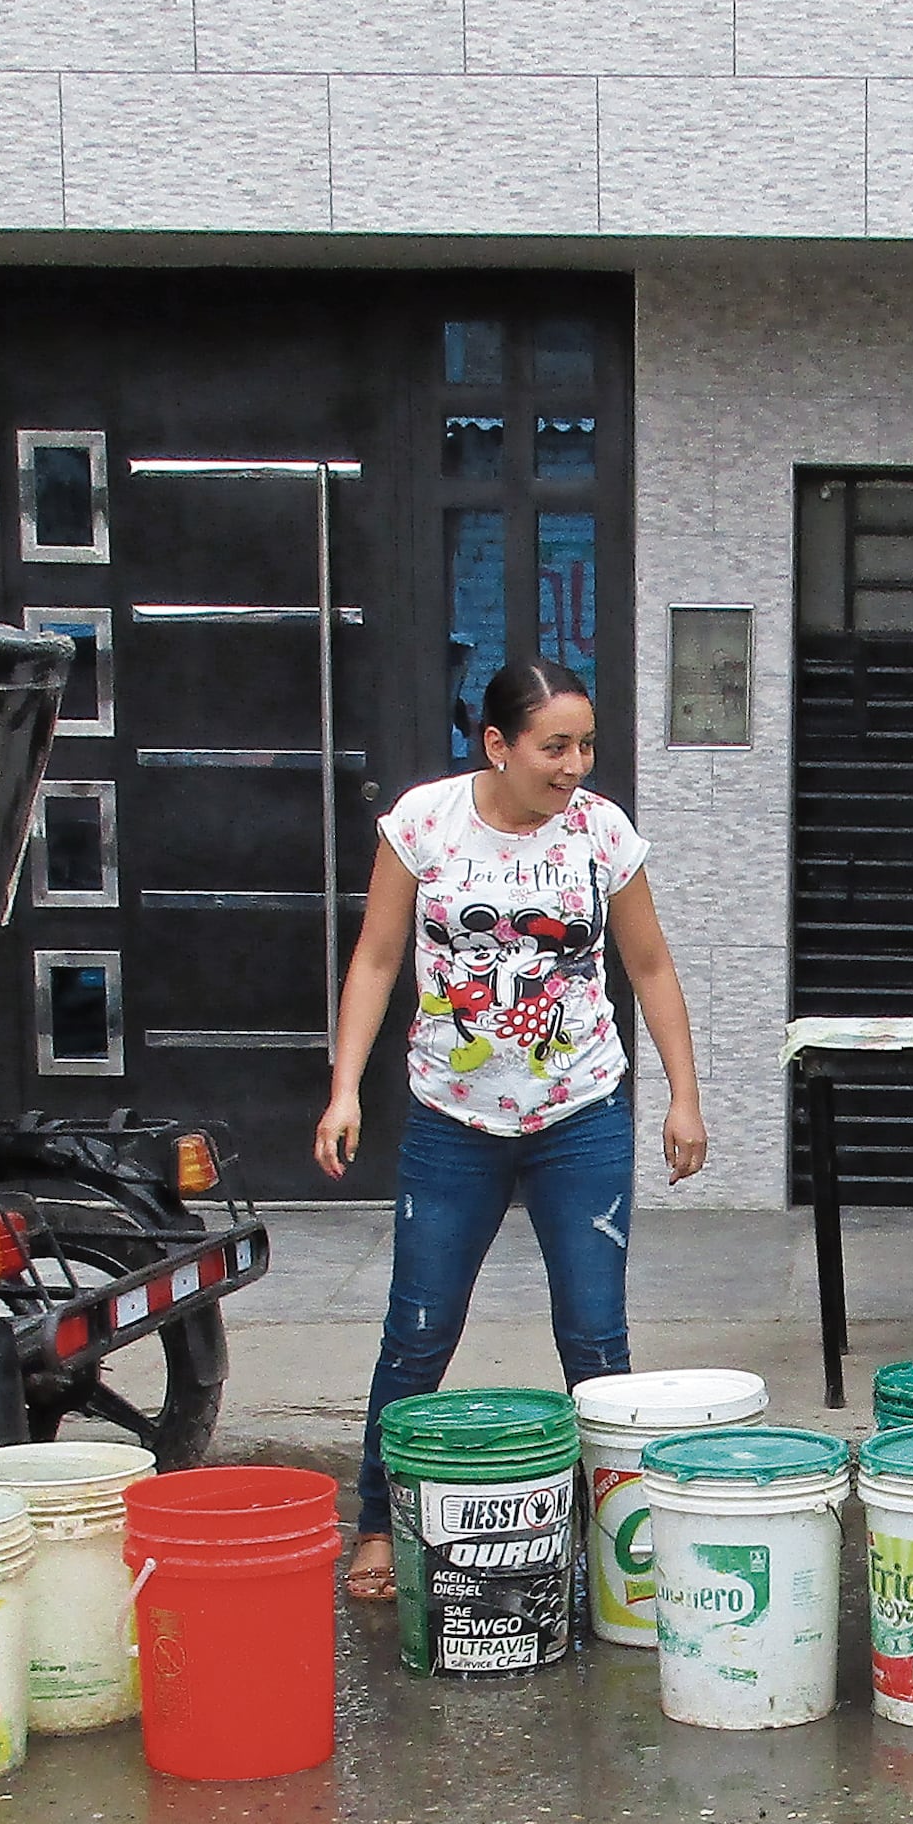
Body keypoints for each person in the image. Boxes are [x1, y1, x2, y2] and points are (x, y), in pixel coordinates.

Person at [312, 659, 708, 1603]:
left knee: (597, 1340)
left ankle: (609, 1542)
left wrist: (683, 1097)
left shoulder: (601, 832)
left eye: (586, 746)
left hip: (582, 1115)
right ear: (497, 744)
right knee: (417, 1333)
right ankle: (378, 1519)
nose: (575, 766)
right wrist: (345, 1090)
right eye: (555, 747)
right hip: (452, 1121)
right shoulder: (423, 823)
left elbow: (648, 967)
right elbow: (373, 961)